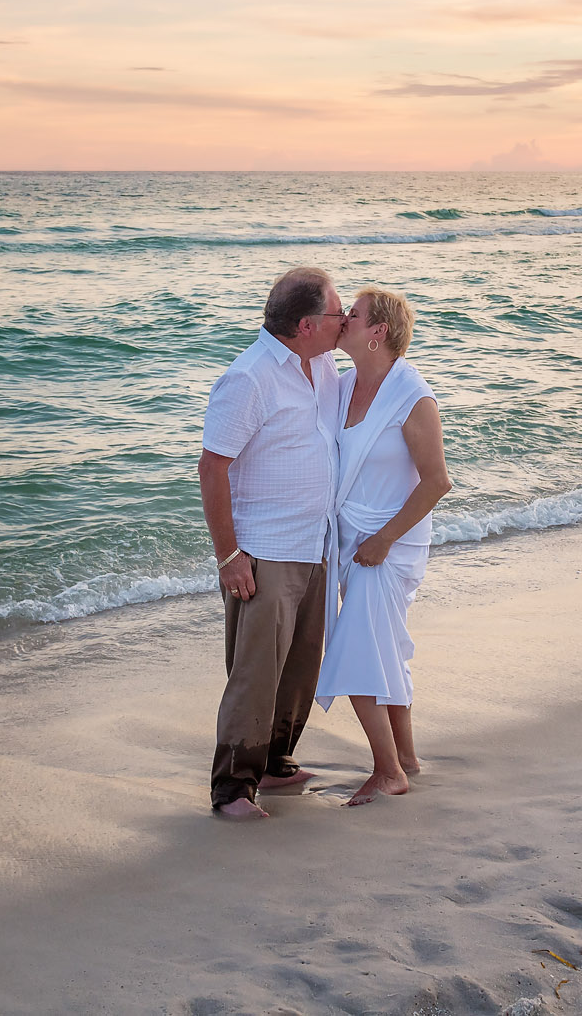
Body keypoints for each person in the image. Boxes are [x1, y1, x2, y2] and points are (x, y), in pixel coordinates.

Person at [198, 266, 349, 819]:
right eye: (338, 312)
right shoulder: (251, 377)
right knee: (256, 672)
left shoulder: (324, 365)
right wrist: (230, 556)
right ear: (308, 324)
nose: (346, 319)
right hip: (265, 551)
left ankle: (275, 761)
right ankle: (233, 788)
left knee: (302, 663)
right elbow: (212, 469)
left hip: (315, 543)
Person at [314, 285, 452, 806]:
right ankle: (408, 757)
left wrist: (383, 540)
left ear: (379, 332)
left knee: (357, 651)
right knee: (386, 647)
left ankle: (387, 770)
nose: (344, 318)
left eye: (355, 314)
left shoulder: (412, 395)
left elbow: (437, 481)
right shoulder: (344, 386)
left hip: (389, 545)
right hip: (351, 541)